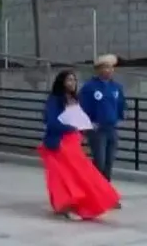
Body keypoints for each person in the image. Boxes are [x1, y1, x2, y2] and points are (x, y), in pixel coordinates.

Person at [39, 70, 120, 220]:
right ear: (62, 82)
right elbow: (52, 122)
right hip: (59, 142)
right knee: (64, 176)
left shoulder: (74, 99)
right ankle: (65, 204)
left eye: (74, 80)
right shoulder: (55, 99)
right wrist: (72, 127)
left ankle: (87, 200)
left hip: (73, 141)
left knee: (80, 173)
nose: (72, 83)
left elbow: (79, 118)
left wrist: (85, 126)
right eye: (69, 80)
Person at [79, 54, 126, 185]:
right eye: (105, 67)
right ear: (98, 69)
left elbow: (121, 103)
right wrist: (88, 124)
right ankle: (96, 190)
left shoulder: (116, 87)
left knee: (109, 162)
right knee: (99, 161)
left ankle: (107, 191)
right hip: (97, 129)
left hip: (111, 128)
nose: (109, 70)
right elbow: (82, 107)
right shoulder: (89, 87)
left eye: (111, 68)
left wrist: (120, 116)